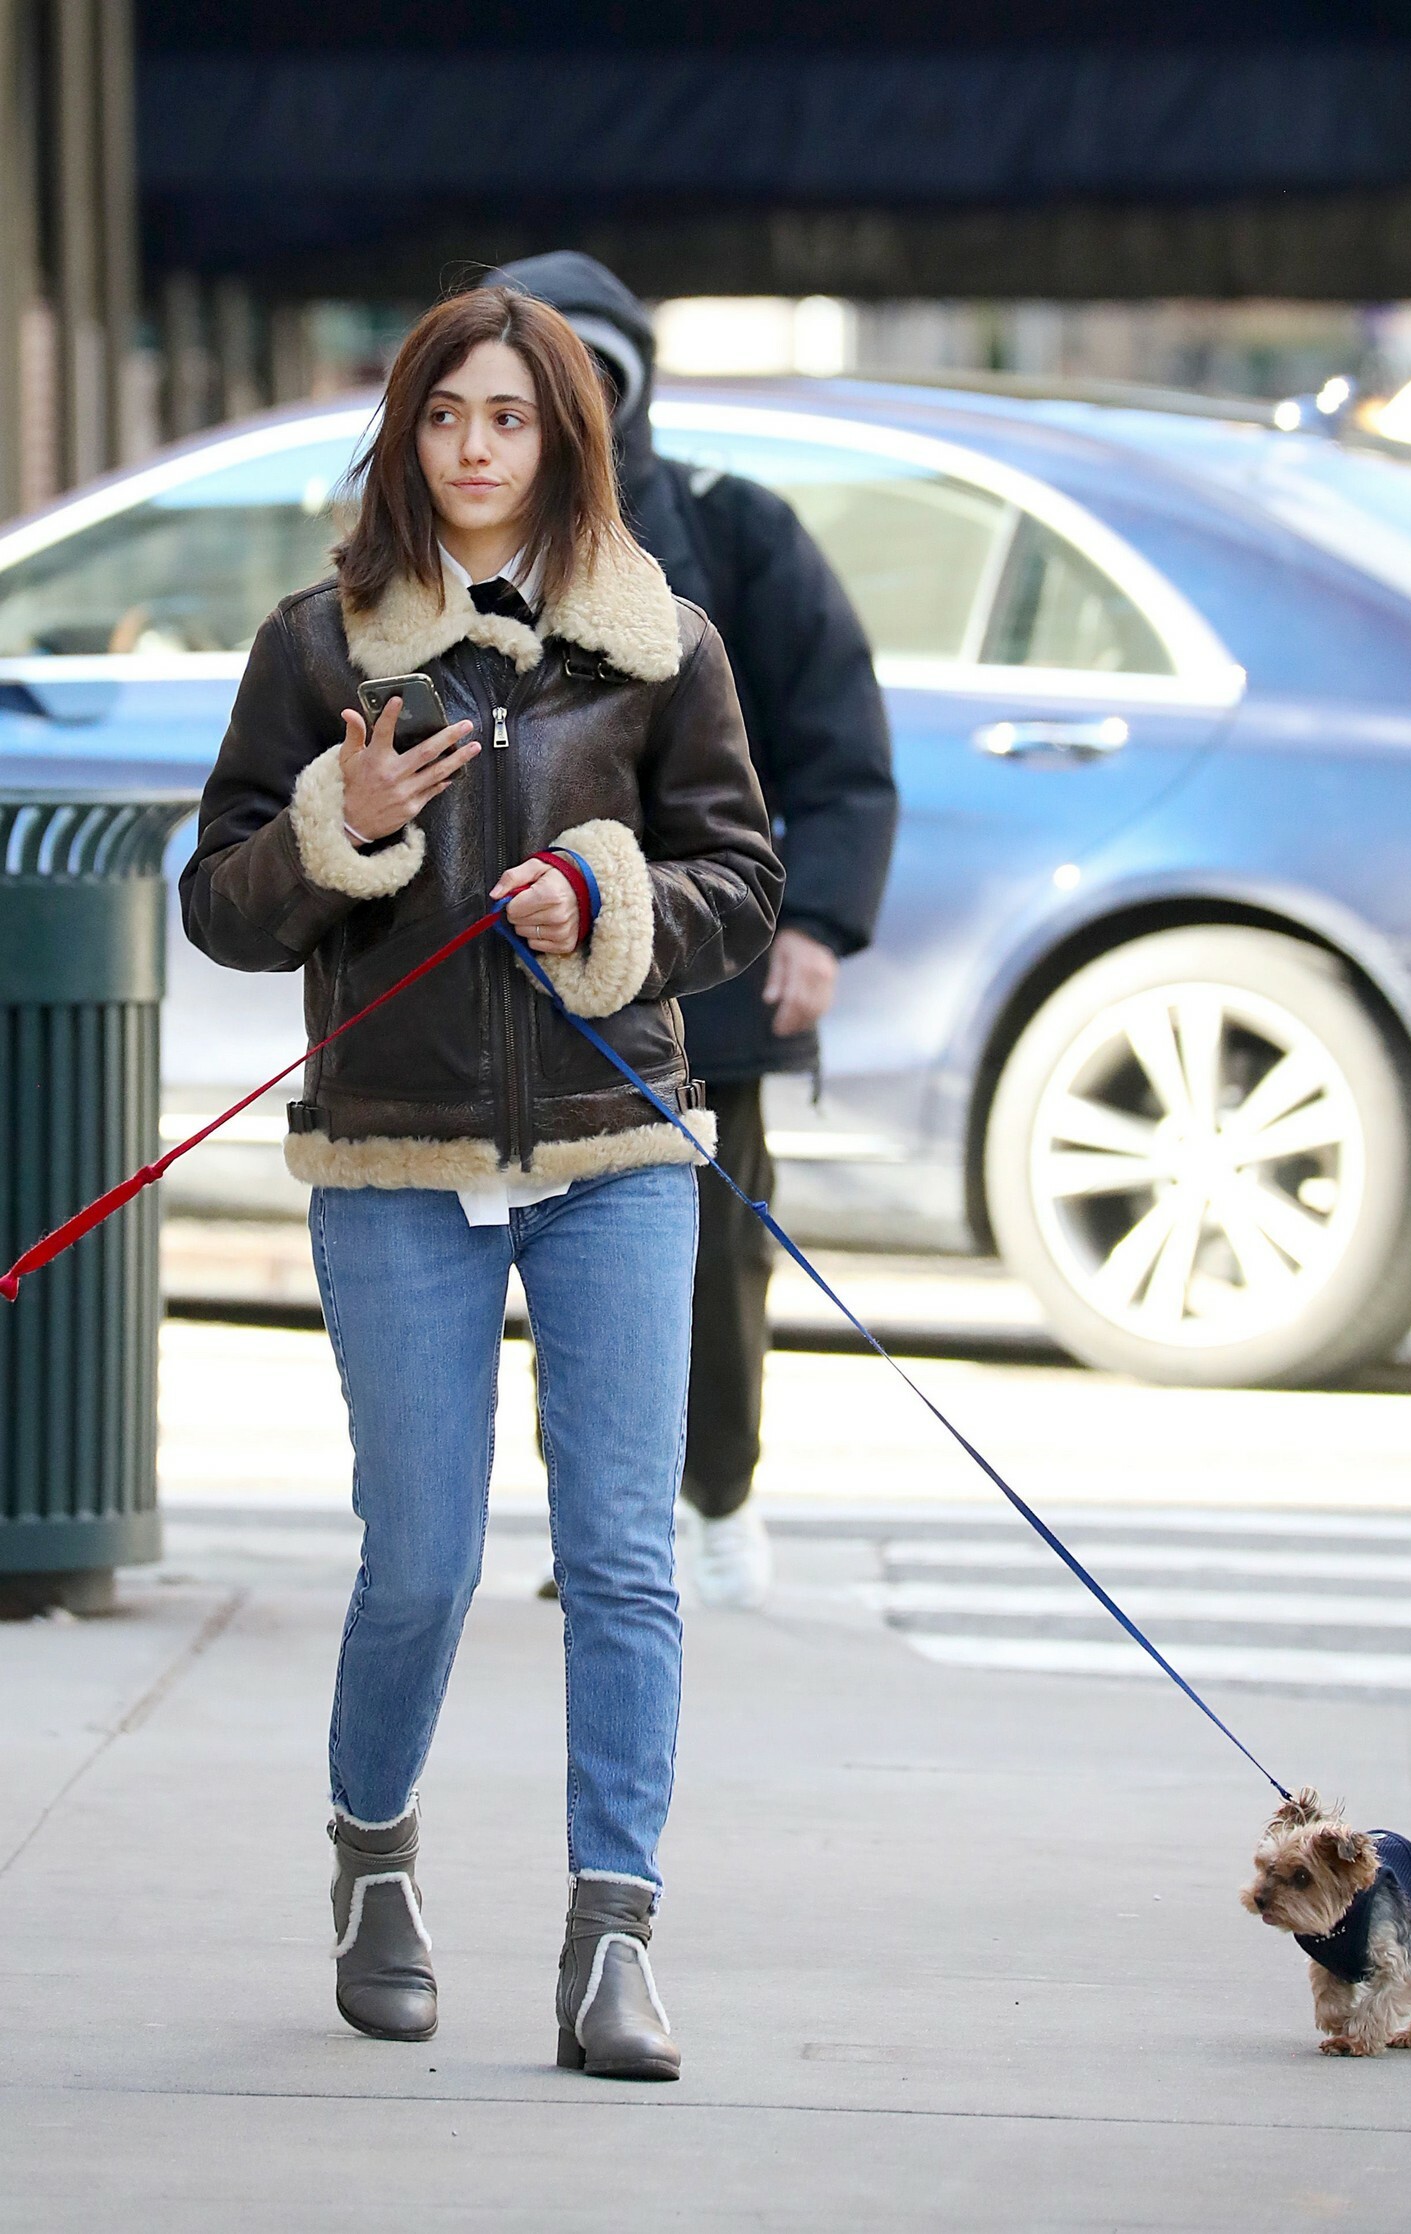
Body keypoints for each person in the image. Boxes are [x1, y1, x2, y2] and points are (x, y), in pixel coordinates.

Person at [180, 287, 781, 2078]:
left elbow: (741, 875)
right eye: (444, 415)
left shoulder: (660, 643)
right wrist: (341, 831)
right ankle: (374, 1860)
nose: (473, 449)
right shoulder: (320, 645)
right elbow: (219, 900)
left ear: (564, 438)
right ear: (405, 435)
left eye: (509, 417)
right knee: (424, 1559)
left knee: (622, 1557)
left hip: (617, 1146)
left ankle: (614, 1938)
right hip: (395, 1148)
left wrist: (610, 900)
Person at [488, 253, 898, 1610]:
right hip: (518, 984)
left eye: (586, 379)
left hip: (701, 971)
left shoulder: (735, 532)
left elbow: (839, 747)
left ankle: (717, 1493)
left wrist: (818, 923)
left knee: (714, 1261)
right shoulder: (460, 560)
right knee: (551, 1264)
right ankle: (600, 1527)